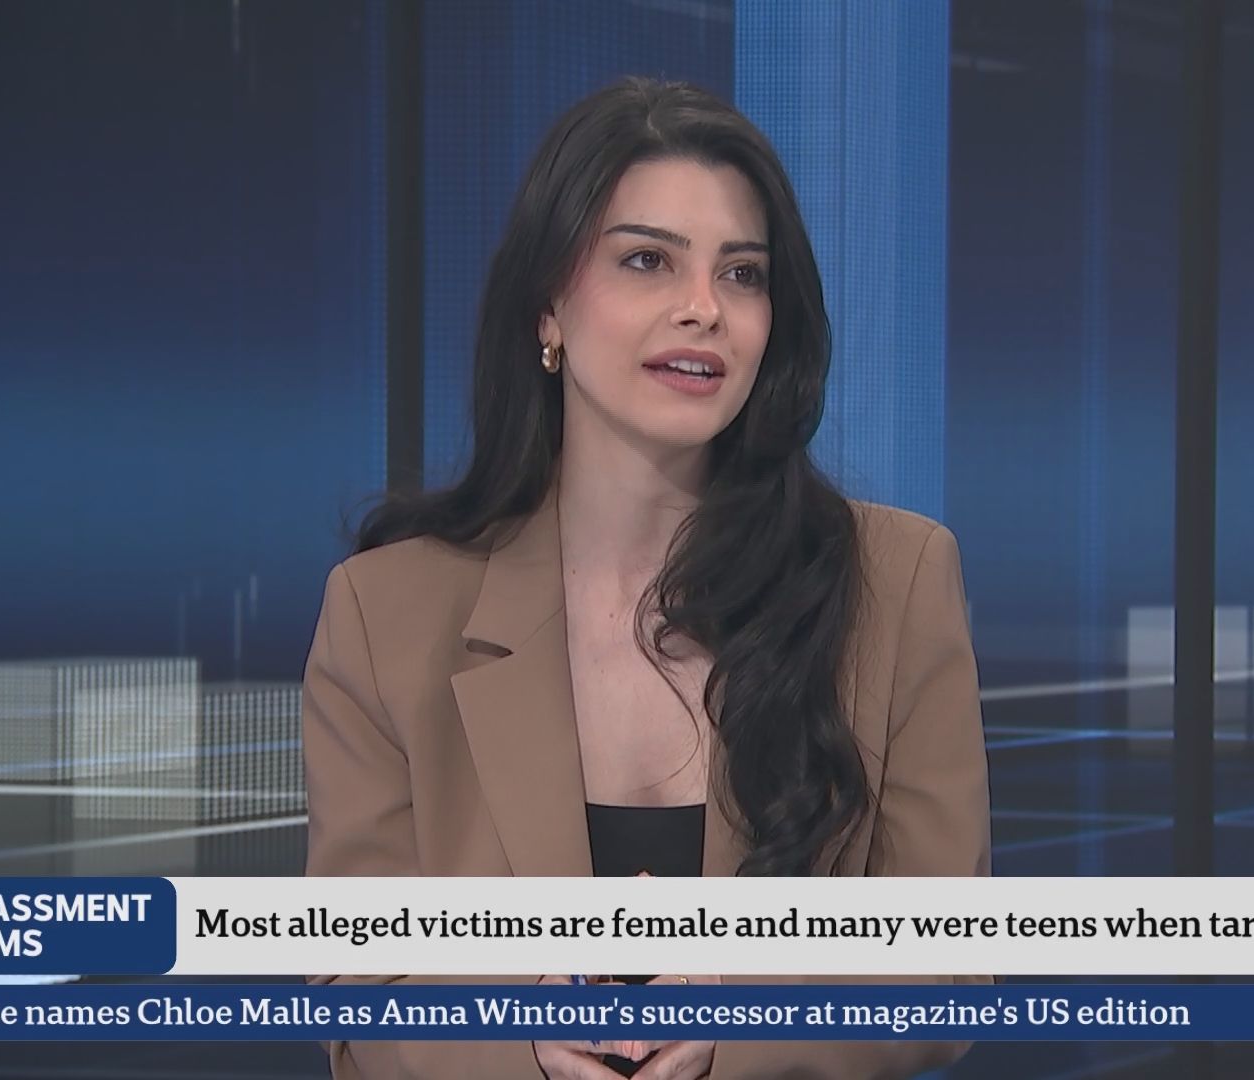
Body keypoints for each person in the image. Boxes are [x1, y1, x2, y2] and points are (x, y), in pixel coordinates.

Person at [303, 75, 991, 1080]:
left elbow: (946, 963)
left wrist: (744, 1011)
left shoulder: (899, 582)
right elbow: (356, 982)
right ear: (548, 305)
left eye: (742, 274)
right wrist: (517, 1031)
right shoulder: (384, 614)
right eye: (646, 260)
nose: (703, 308)